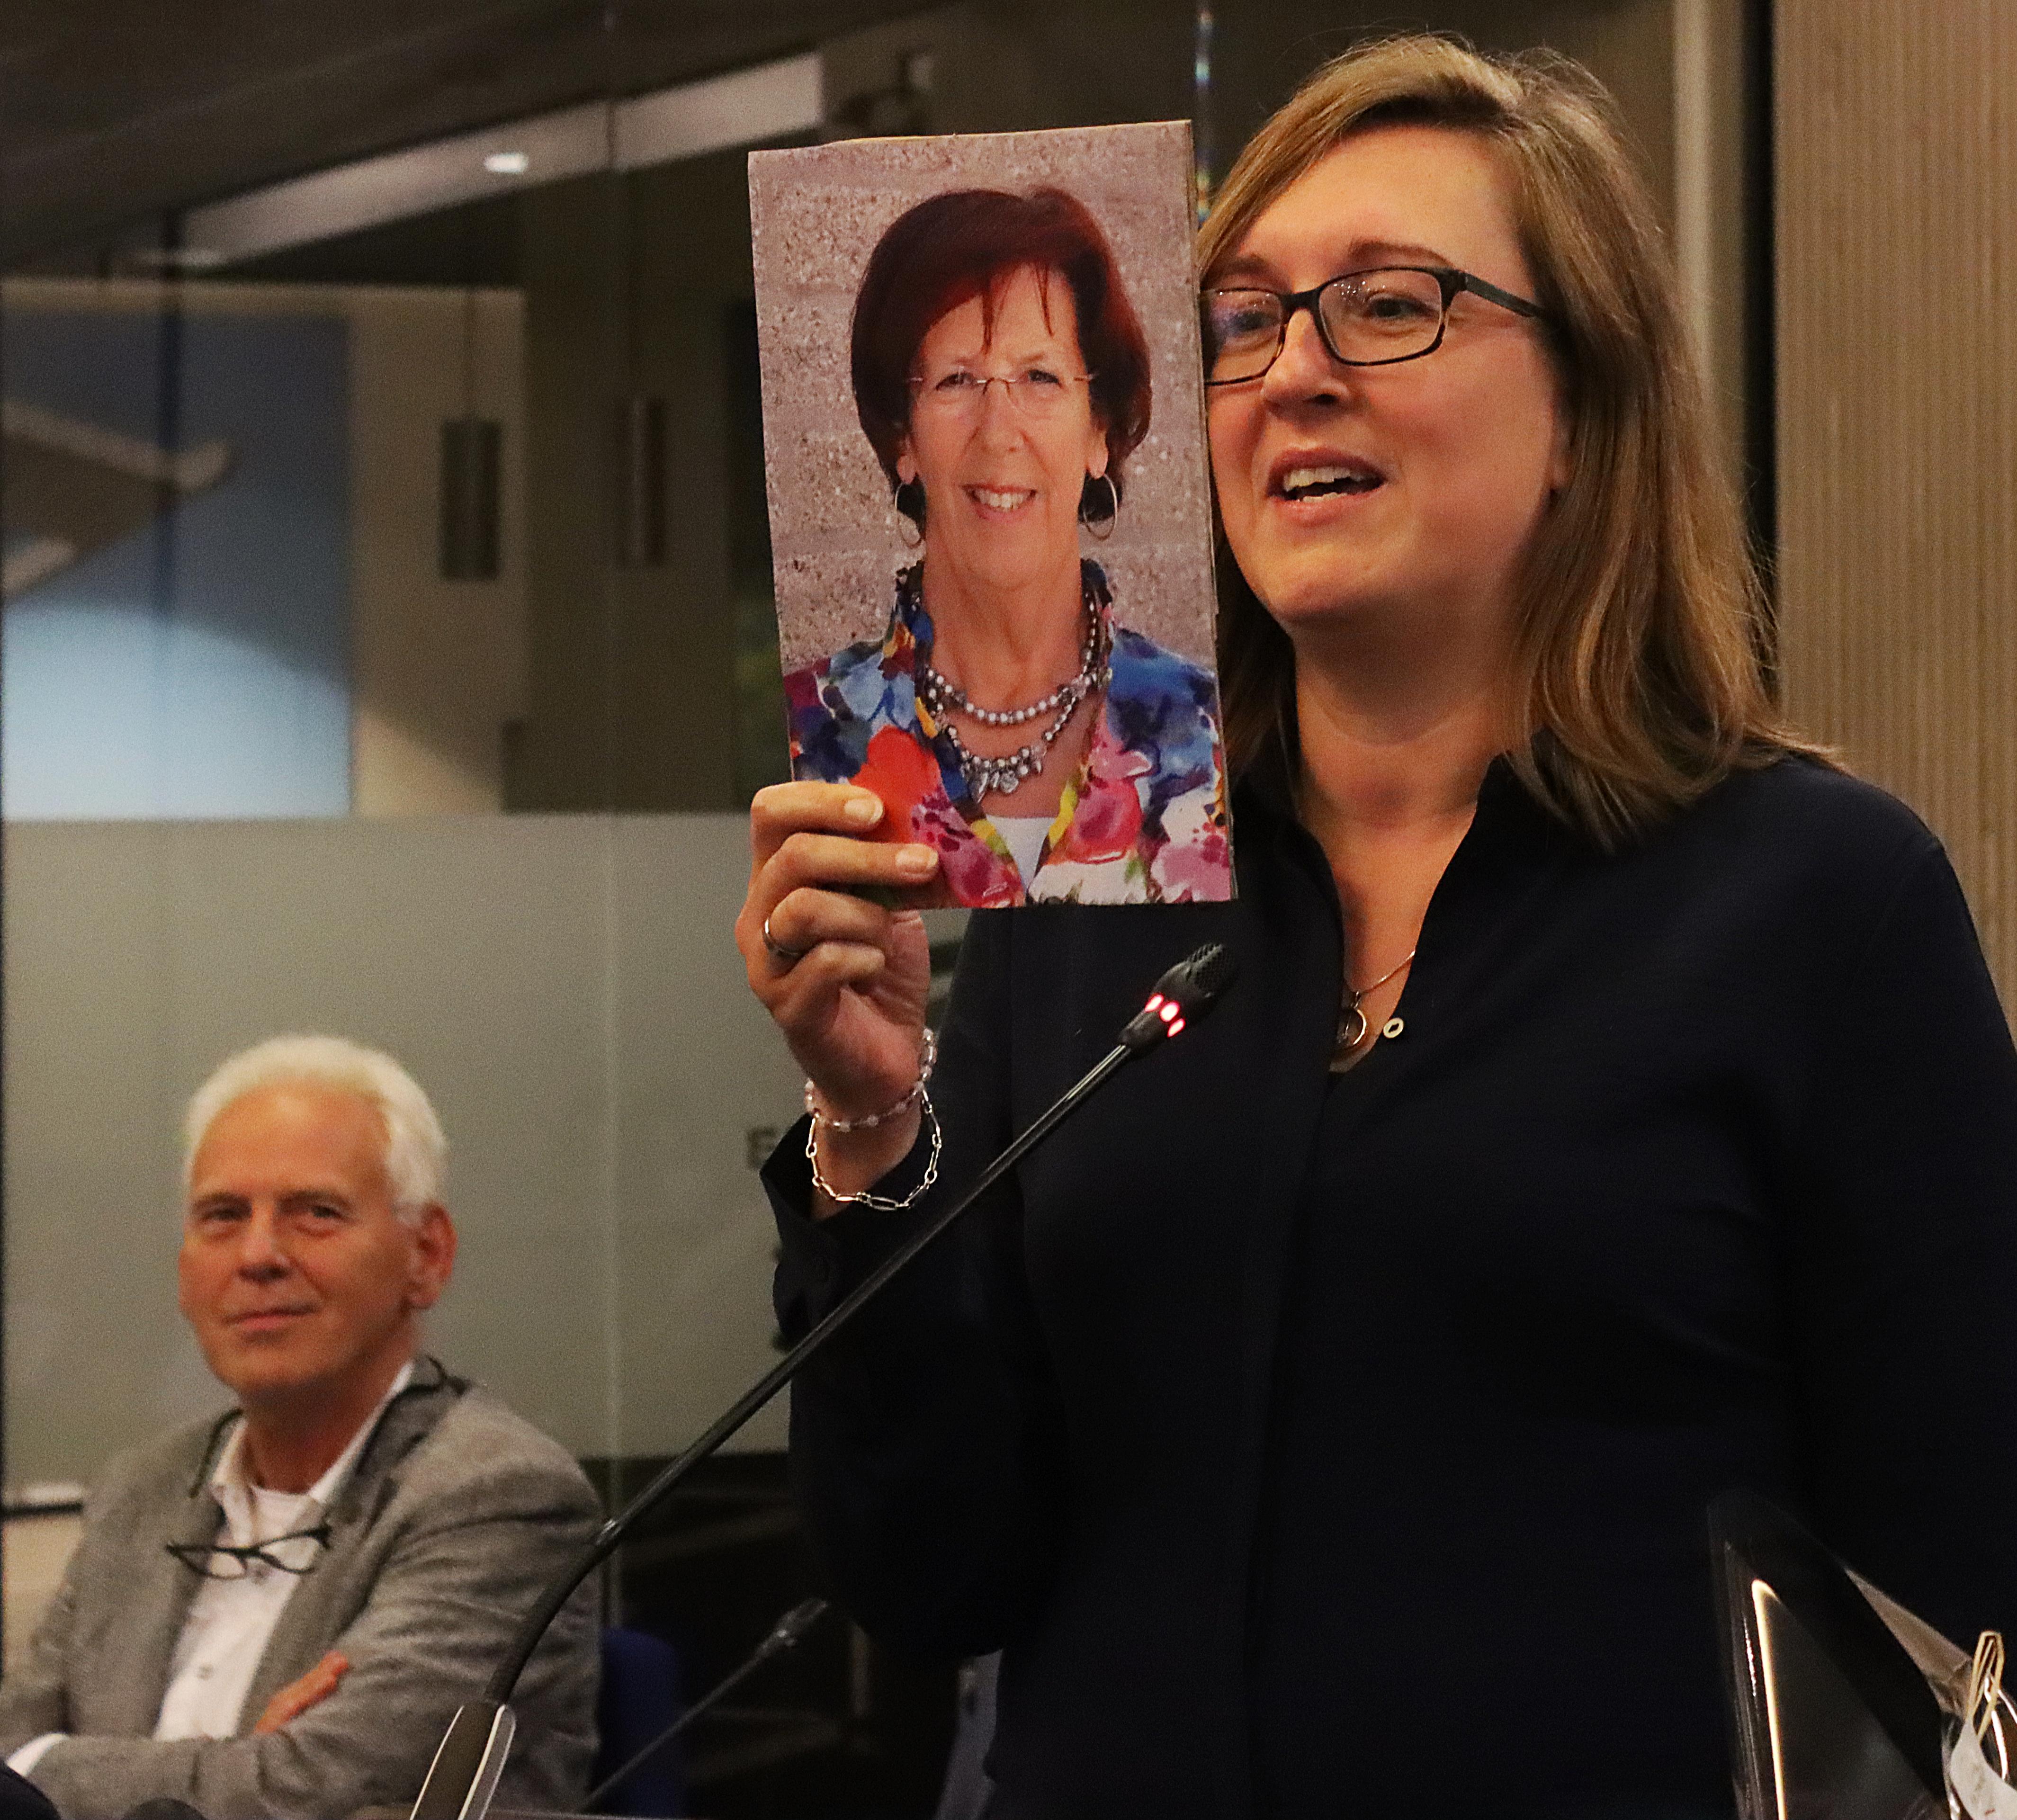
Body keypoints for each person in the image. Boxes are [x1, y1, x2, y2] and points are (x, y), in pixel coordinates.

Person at [737, 34, 2017, 1820]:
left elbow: (1965, 1595)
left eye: (1391, 306)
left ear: (1583, 411)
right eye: (1243, 323)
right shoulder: (1089, 890)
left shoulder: (1818, 901)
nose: (1294, 373)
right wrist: (873, 1127)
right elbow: (936, 1571)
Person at [0, 1036, 601, 1820]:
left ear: (427, 1255)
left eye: (316, 1213)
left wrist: (42, 1766)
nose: (258, 1255)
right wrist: (242, 1767)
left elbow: (308, 1792)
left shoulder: (501, 1497)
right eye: (222, 1216)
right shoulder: (141, 1489)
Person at [783, 185, 1232, 907]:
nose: (998, 433)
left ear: (1099, 431)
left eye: (1040, 377)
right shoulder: (809, 730)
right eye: (957, 380)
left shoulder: (1211, 730)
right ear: (903, 437)